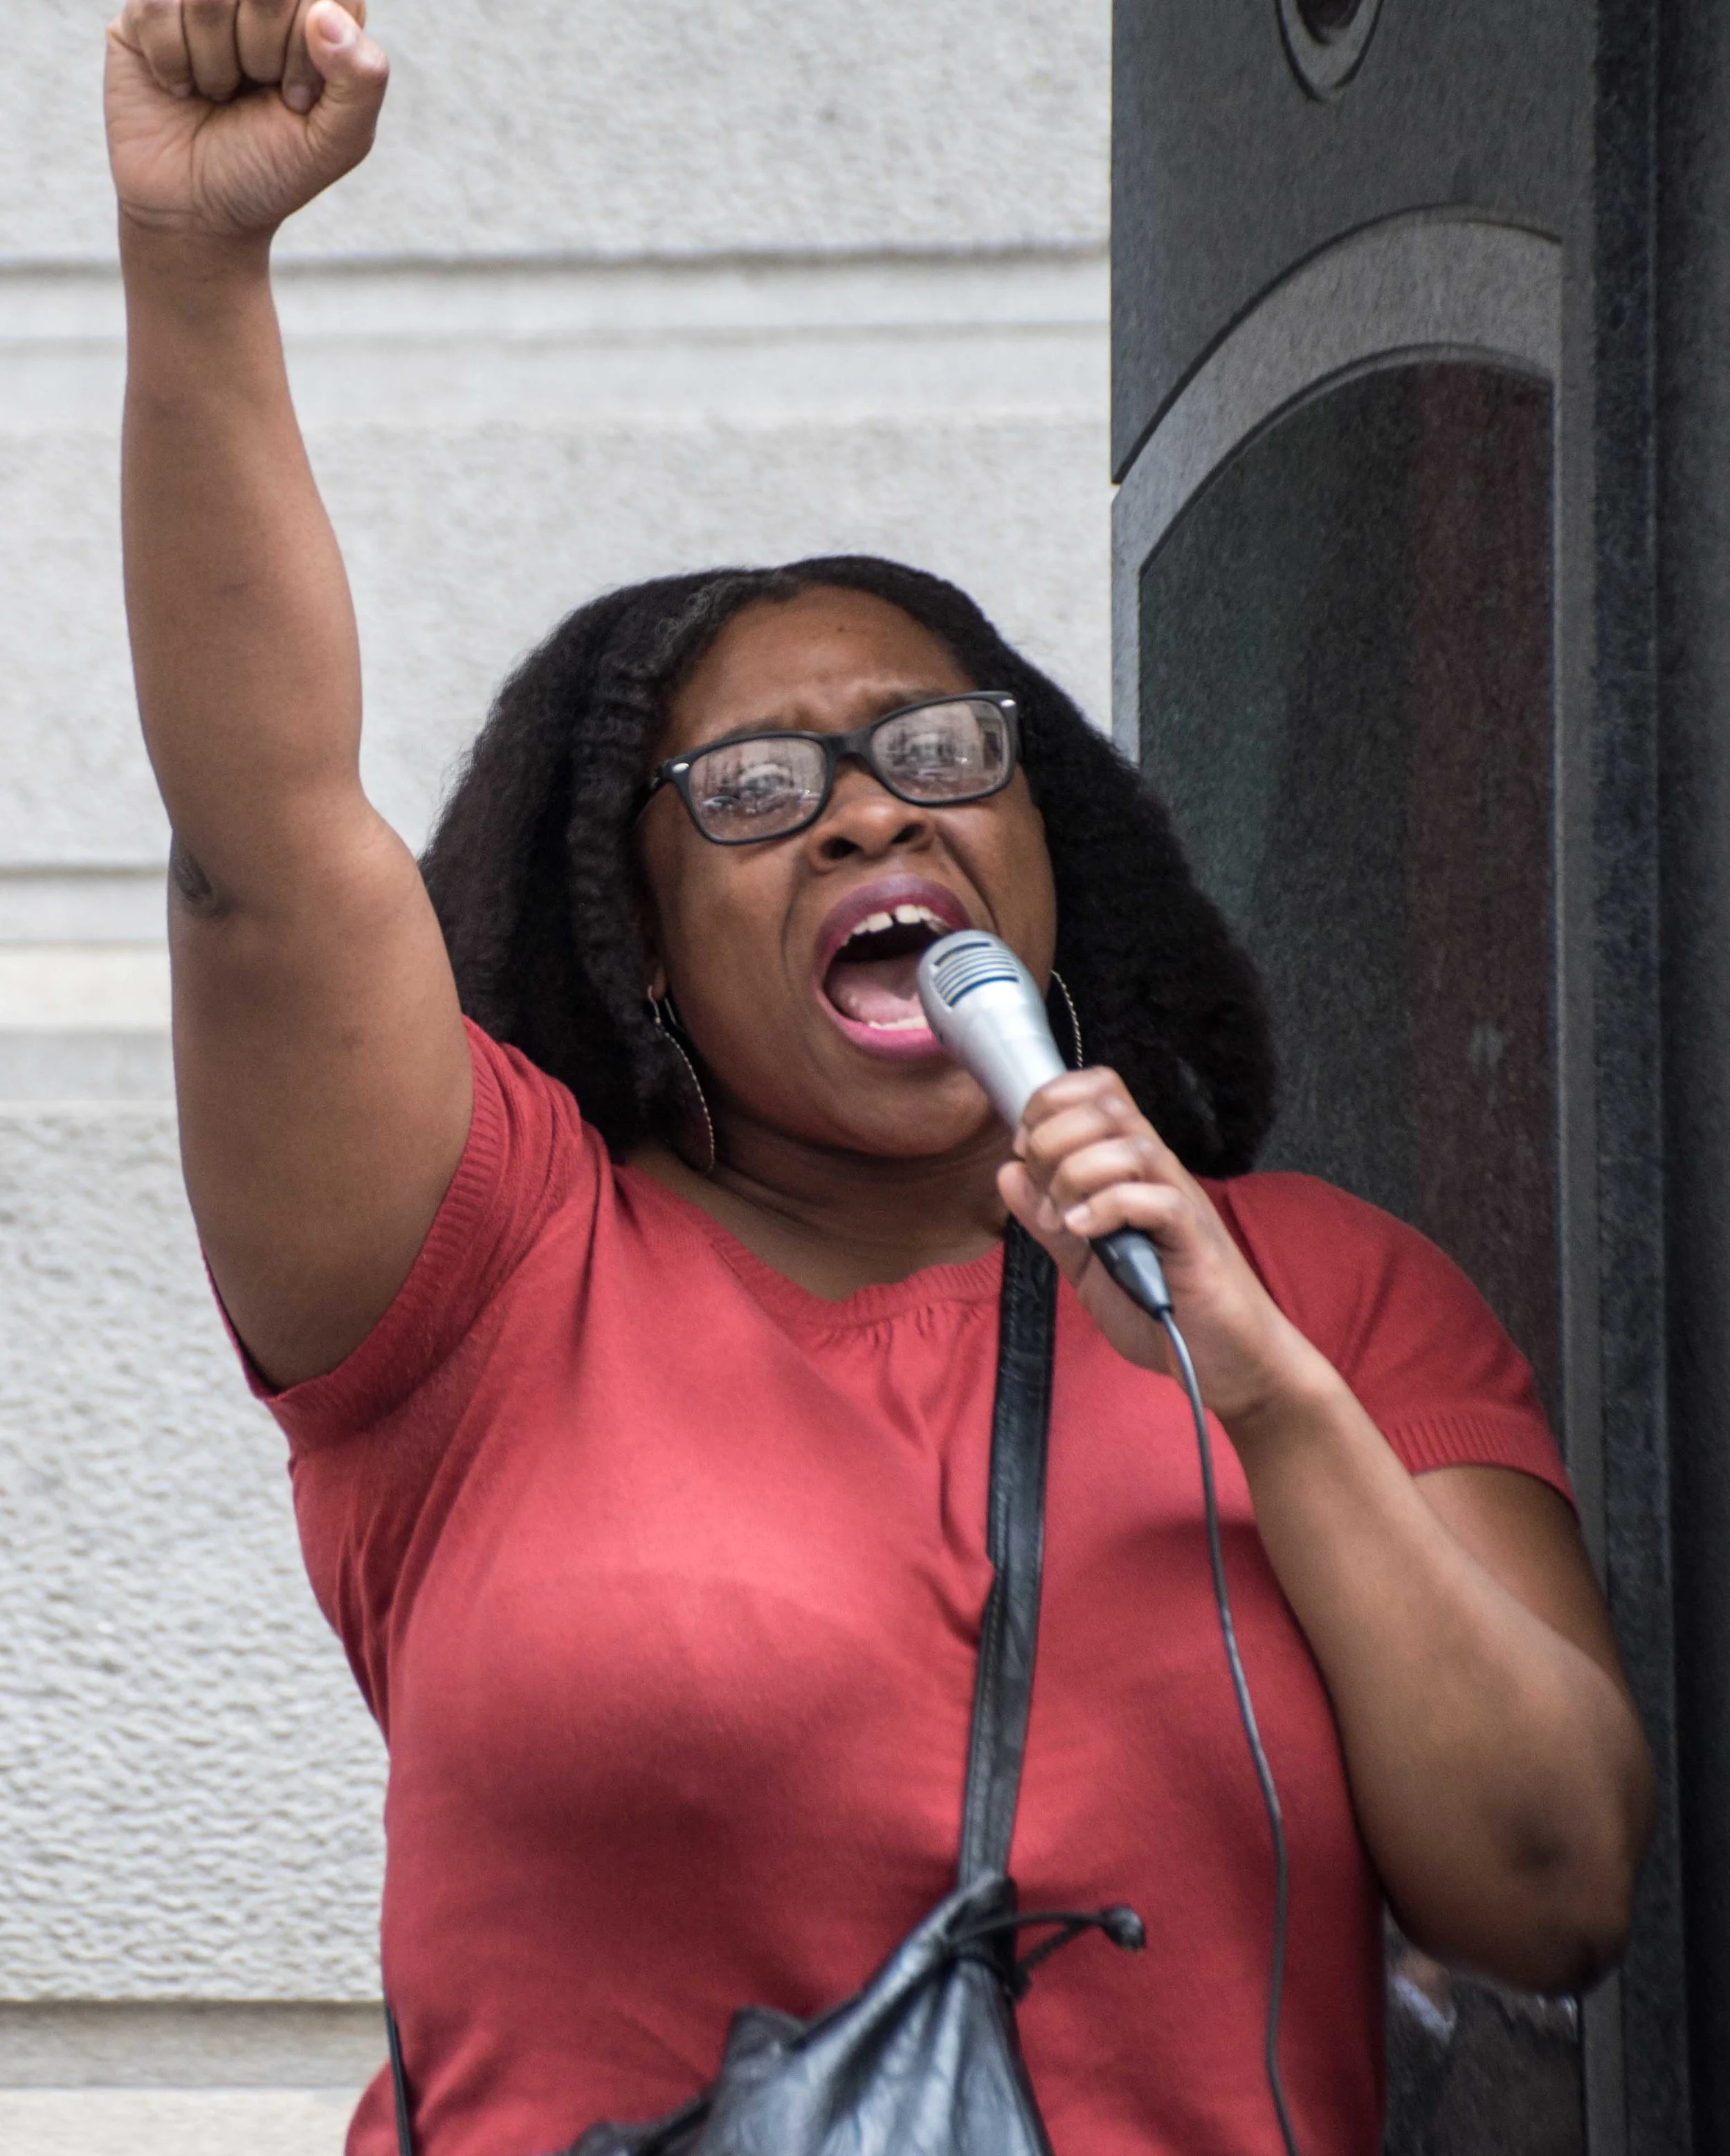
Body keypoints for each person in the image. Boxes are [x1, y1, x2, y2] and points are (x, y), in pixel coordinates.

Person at [103, 6, 1655, 2154]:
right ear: (639, 942)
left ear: (1048, 851)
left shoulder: (1323, 1292)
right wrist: (197, 269)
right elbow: (266, 848)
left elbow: (1552, 1889)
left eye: (937, 753)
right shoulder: (491, 1280)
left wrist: (1266, 1388)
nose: (868, 815)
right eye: (755, 791)